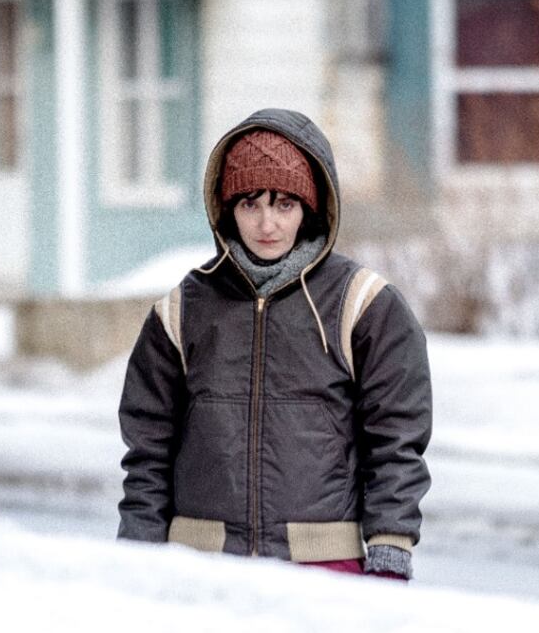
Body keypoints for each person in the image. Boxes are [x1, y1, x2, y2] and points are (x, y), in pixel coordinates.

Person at [117, 108, 432, 580]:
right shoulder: (184, 309)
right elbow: (147, 450)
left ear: (309, 205)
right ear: (227, 208)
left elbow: (396, 439)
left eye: (283, 204)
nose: (267, 224)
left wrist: (389, 548)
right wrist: (137, 555)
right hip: (199, 567)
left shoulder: (363, 304)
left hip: (323, 567)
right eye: (250, 204)